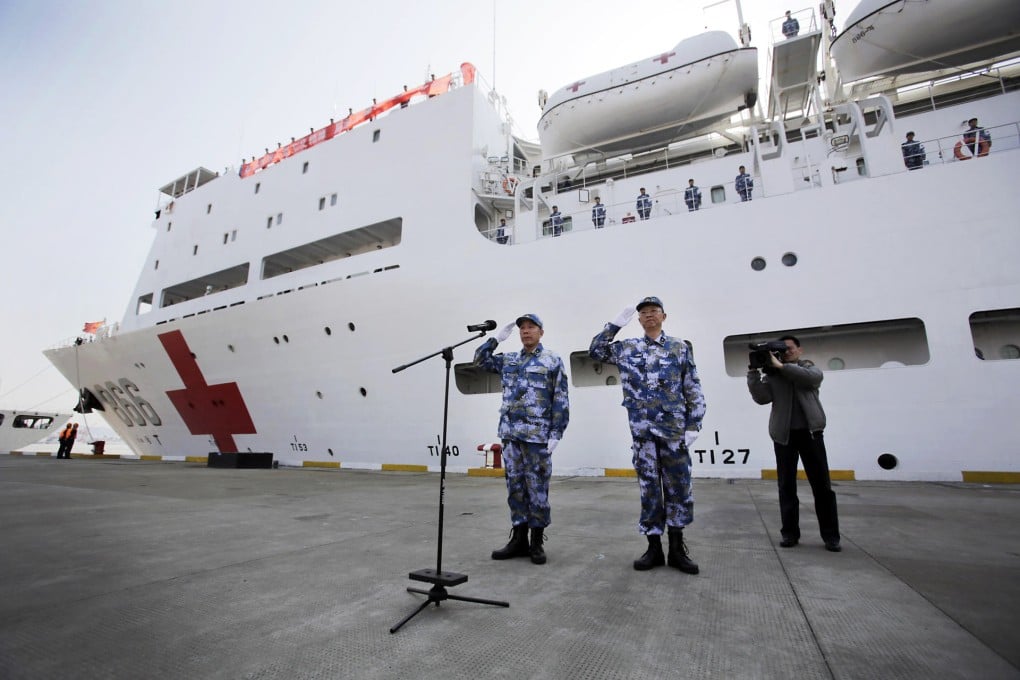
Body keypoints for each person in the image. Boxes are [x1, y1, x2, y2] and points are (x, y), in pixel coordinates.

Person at [589, 297, 706, 574]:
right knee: (649, 491)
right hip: (643, 434)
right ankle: (654, 548)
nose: (649, 315)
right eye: (643, 313)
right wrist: (615, 324)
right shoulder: (627, 349)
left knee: (679, 489)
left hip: (674, 433)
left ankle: (677, 549)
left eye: (654, 311)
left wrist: (694, 425)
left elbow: (692, 386)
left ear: (664, 316)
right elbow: (595, 351)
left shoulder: (679, 347)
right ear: (638, 319)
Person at [474, 314, 570, 565]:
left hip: (538, 437)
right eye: (522, 329)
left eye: (531, 328)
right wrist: (495, 339)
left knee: (537, 489)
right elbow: (479, 361)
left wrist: (556, 433)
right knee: (515, 488)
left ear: (541, 332)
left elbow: (560, 399)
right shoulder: (509, 360)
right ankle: (518, 538)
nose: (526, 332)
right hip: (511, 435)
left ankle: (536, 541)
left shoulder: (552, 360)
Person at [747, 335, 841, 552]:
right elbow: (762, 398)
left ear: (799, 350)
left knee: (822, 487)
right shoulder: (774, 375)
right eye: (782, 350)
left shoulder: (807, 369)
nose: (786, 352)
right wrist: (753, 373)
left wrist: (782, 366)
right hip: (784, 436)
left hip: (811, 434)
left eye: (789, 349)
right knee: (786, 487)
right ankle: (789, 534)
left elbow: (812, 379)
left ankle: (831, 536)